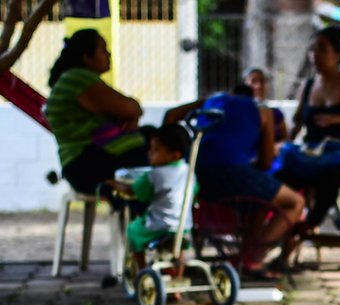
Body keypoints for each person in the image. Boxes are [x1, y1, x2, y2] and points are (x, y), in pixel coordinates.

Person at [164, 85, 305, 276]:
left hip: (194, 174)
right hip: (232, 173)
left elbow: (170, 116)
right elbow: (265, 163)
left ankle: (243, 255)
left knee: (260, 197)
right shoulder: (263, 111)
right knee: (294, 202)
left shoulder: (211, 102)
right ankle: (252, 259)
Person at [277, 27, 340, 238]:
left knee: (329, 177)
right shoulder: (307, 87)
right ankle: (275, 235)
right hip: (311, 155)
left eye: (322, 49)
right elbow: (298, 121)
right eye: (312, 50)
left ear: (338, 54)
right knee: (280, 175)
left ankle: (308, 225)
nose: (314, 55)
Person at [45, 29, 148, 195]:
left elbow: (130, 110)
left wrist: (131, 115)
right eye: (102, 50)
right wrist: (130, 115)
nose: (108, 54)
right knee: (163, 150)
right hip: (87, 165)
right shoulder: (78, 78)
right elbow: (131, 109)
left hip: (84, 163)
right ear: (87, 57)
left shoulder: (74, 78)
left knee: (154, 141)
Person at [106, 124, 193, 269]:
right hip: (183, 225)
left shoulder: (154, 175)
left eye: (156, 150)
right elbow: (194, 191)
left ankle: (141, 269)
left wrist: (114, 184)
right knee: (179, 246)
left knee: (133, 230)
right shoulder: (188, 171)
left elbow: (134, 192)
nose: (149, 153)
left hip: (158, 225)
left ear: (174, 155)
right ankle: (178, 278)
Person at [243, 66, 288, 145]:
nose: (259, 86)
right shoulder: (240, 112)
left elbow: (286, 139)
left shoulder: (276, 113)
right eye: (254, 81)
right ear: (245, 84)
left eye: (262, 81)